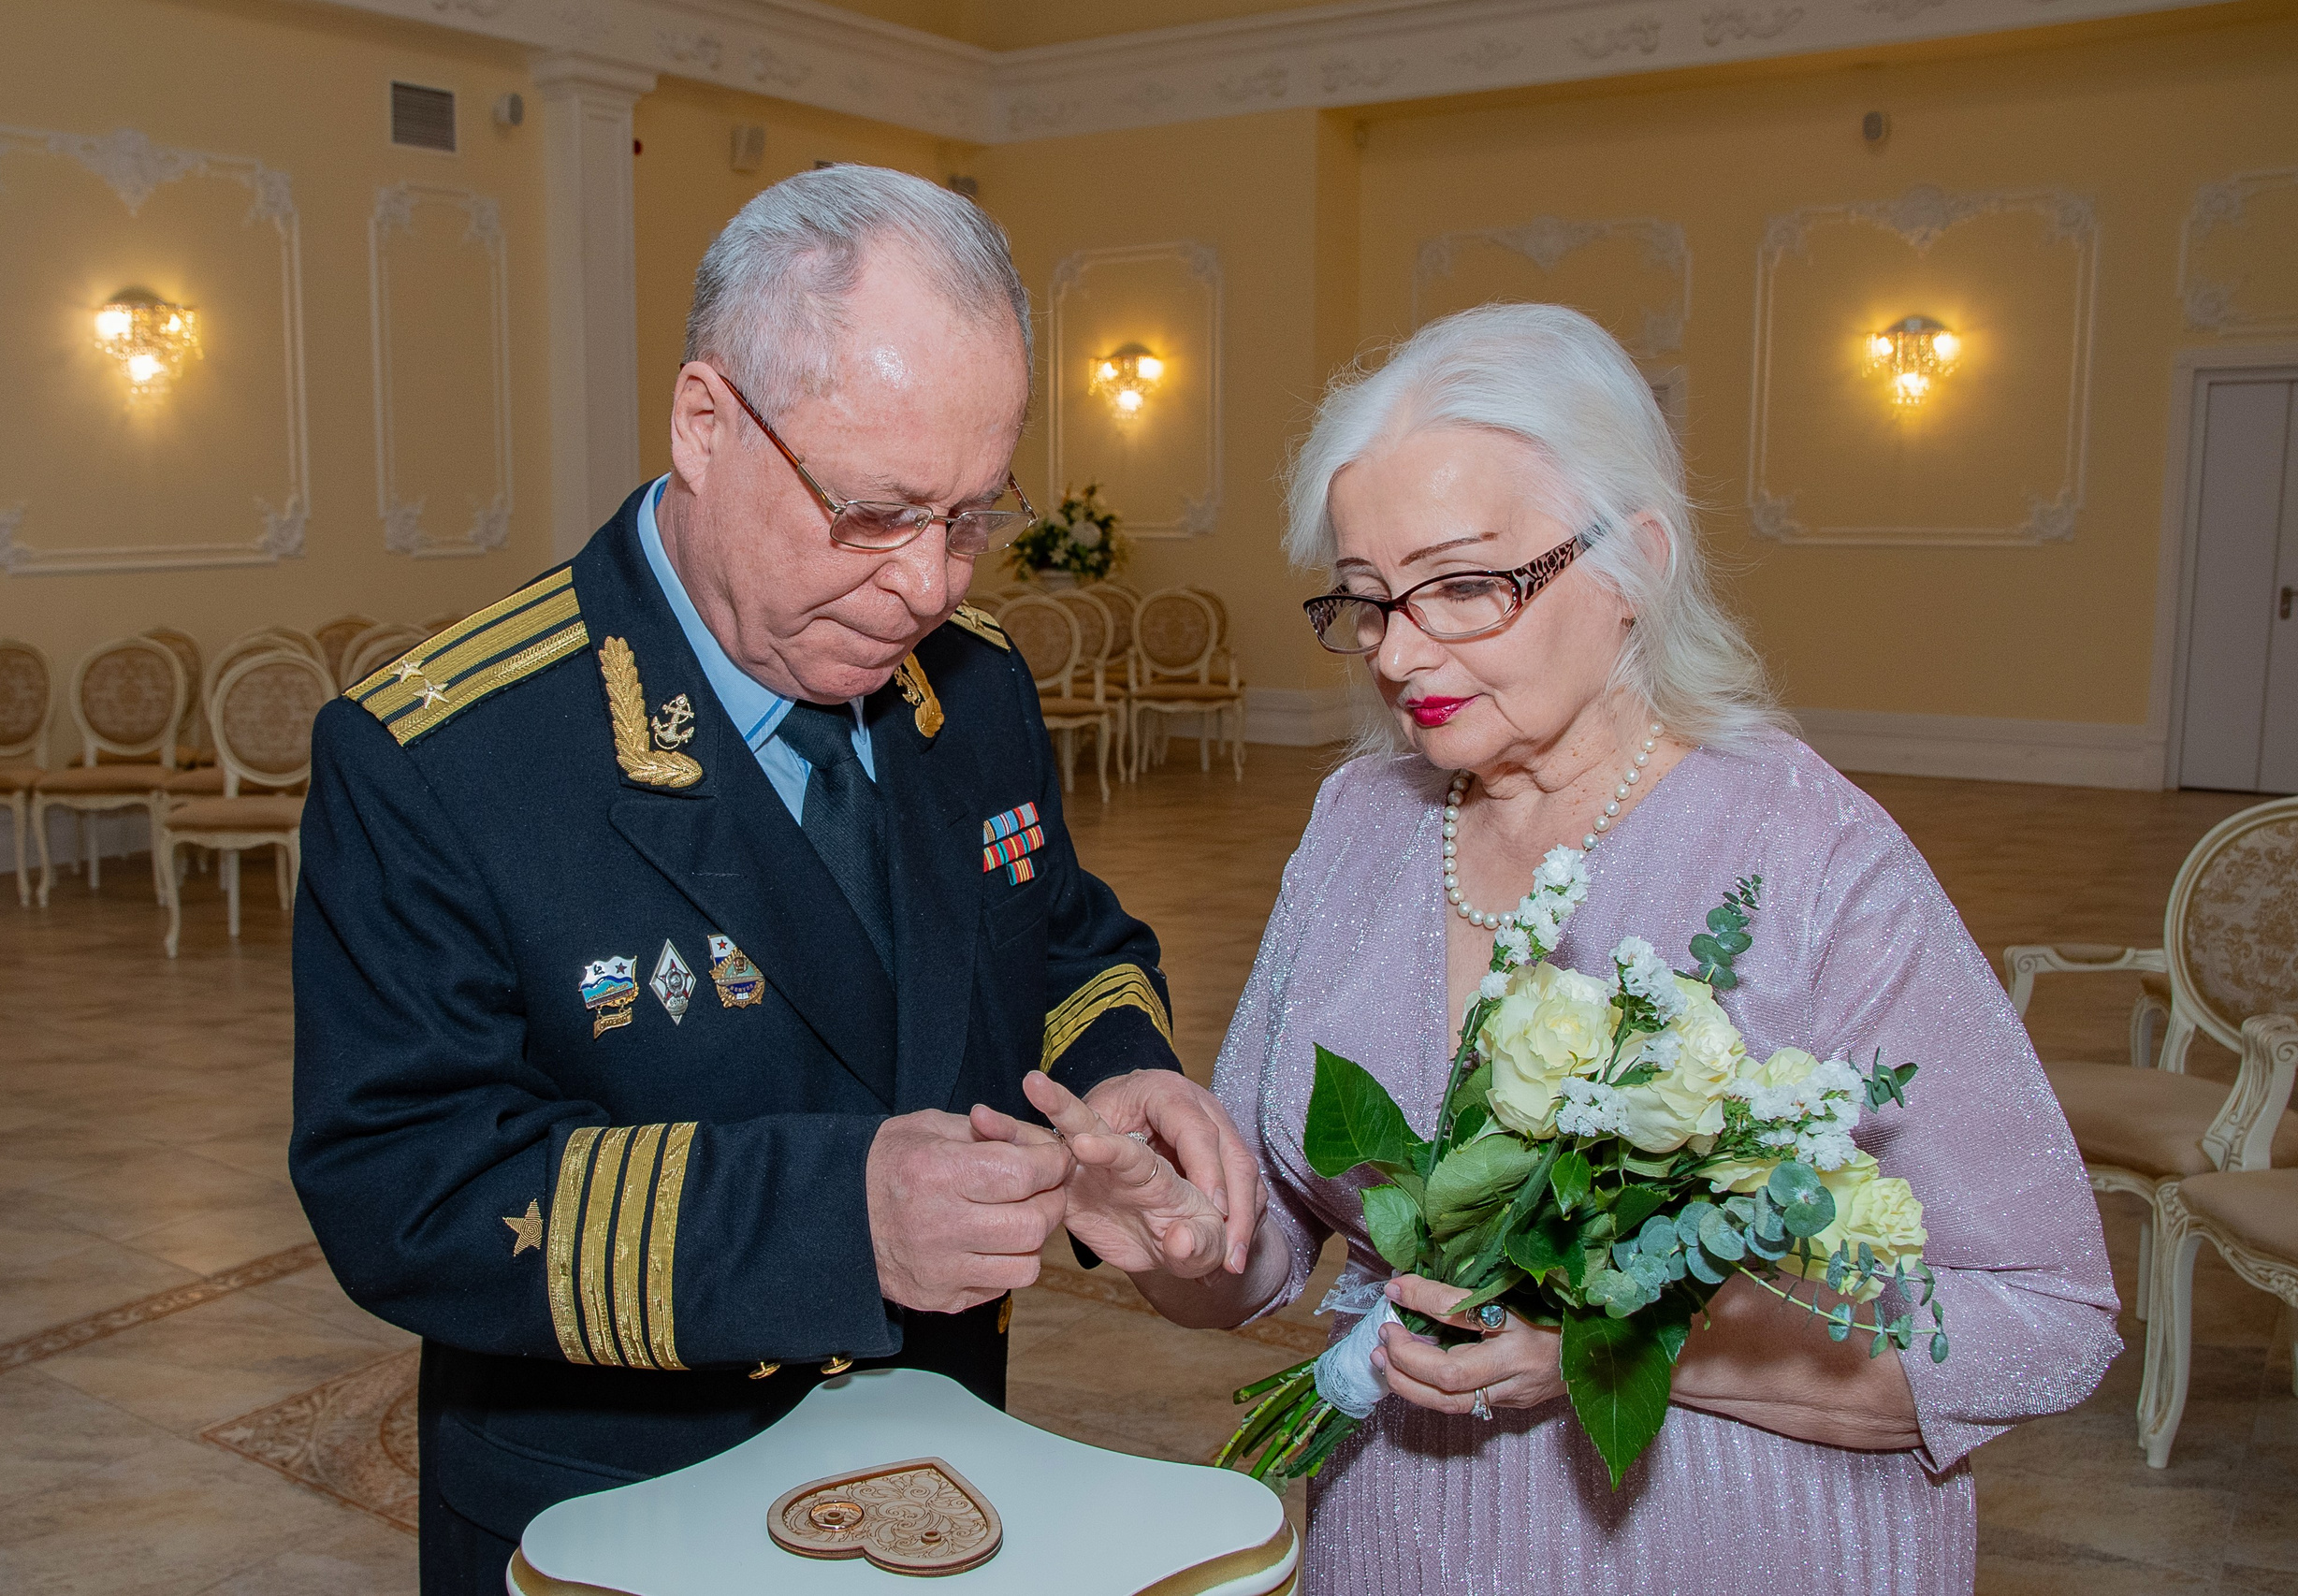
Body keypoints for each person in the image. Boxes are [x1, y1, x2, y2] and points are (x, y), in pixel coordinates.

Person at [288, 166, 1251, 1595]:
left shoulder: (972, 690)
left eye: (974, 515)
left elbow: (1056, 941)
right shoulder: (449, 753)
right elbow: (404, 1184)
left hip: (942, 1484)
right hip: (620, 1512)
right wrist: (836, 1217)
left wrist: (1120, 1079)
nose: (928, 583)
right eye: (875, 511)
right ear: (706, 422)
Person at [1068, 303, 2121, 1594]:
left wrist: (1629, 1341)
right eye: (1364, 601)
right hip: (1398, 1542)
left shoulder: (1810, 858)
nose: (1399, 652)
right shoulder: (1360, 823)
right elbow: (1276, 1247)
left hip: (1725, 1547)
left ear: (1635, 566)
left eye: (1464, 585)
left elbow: (2048, 1320)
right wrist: (1183, 1234)